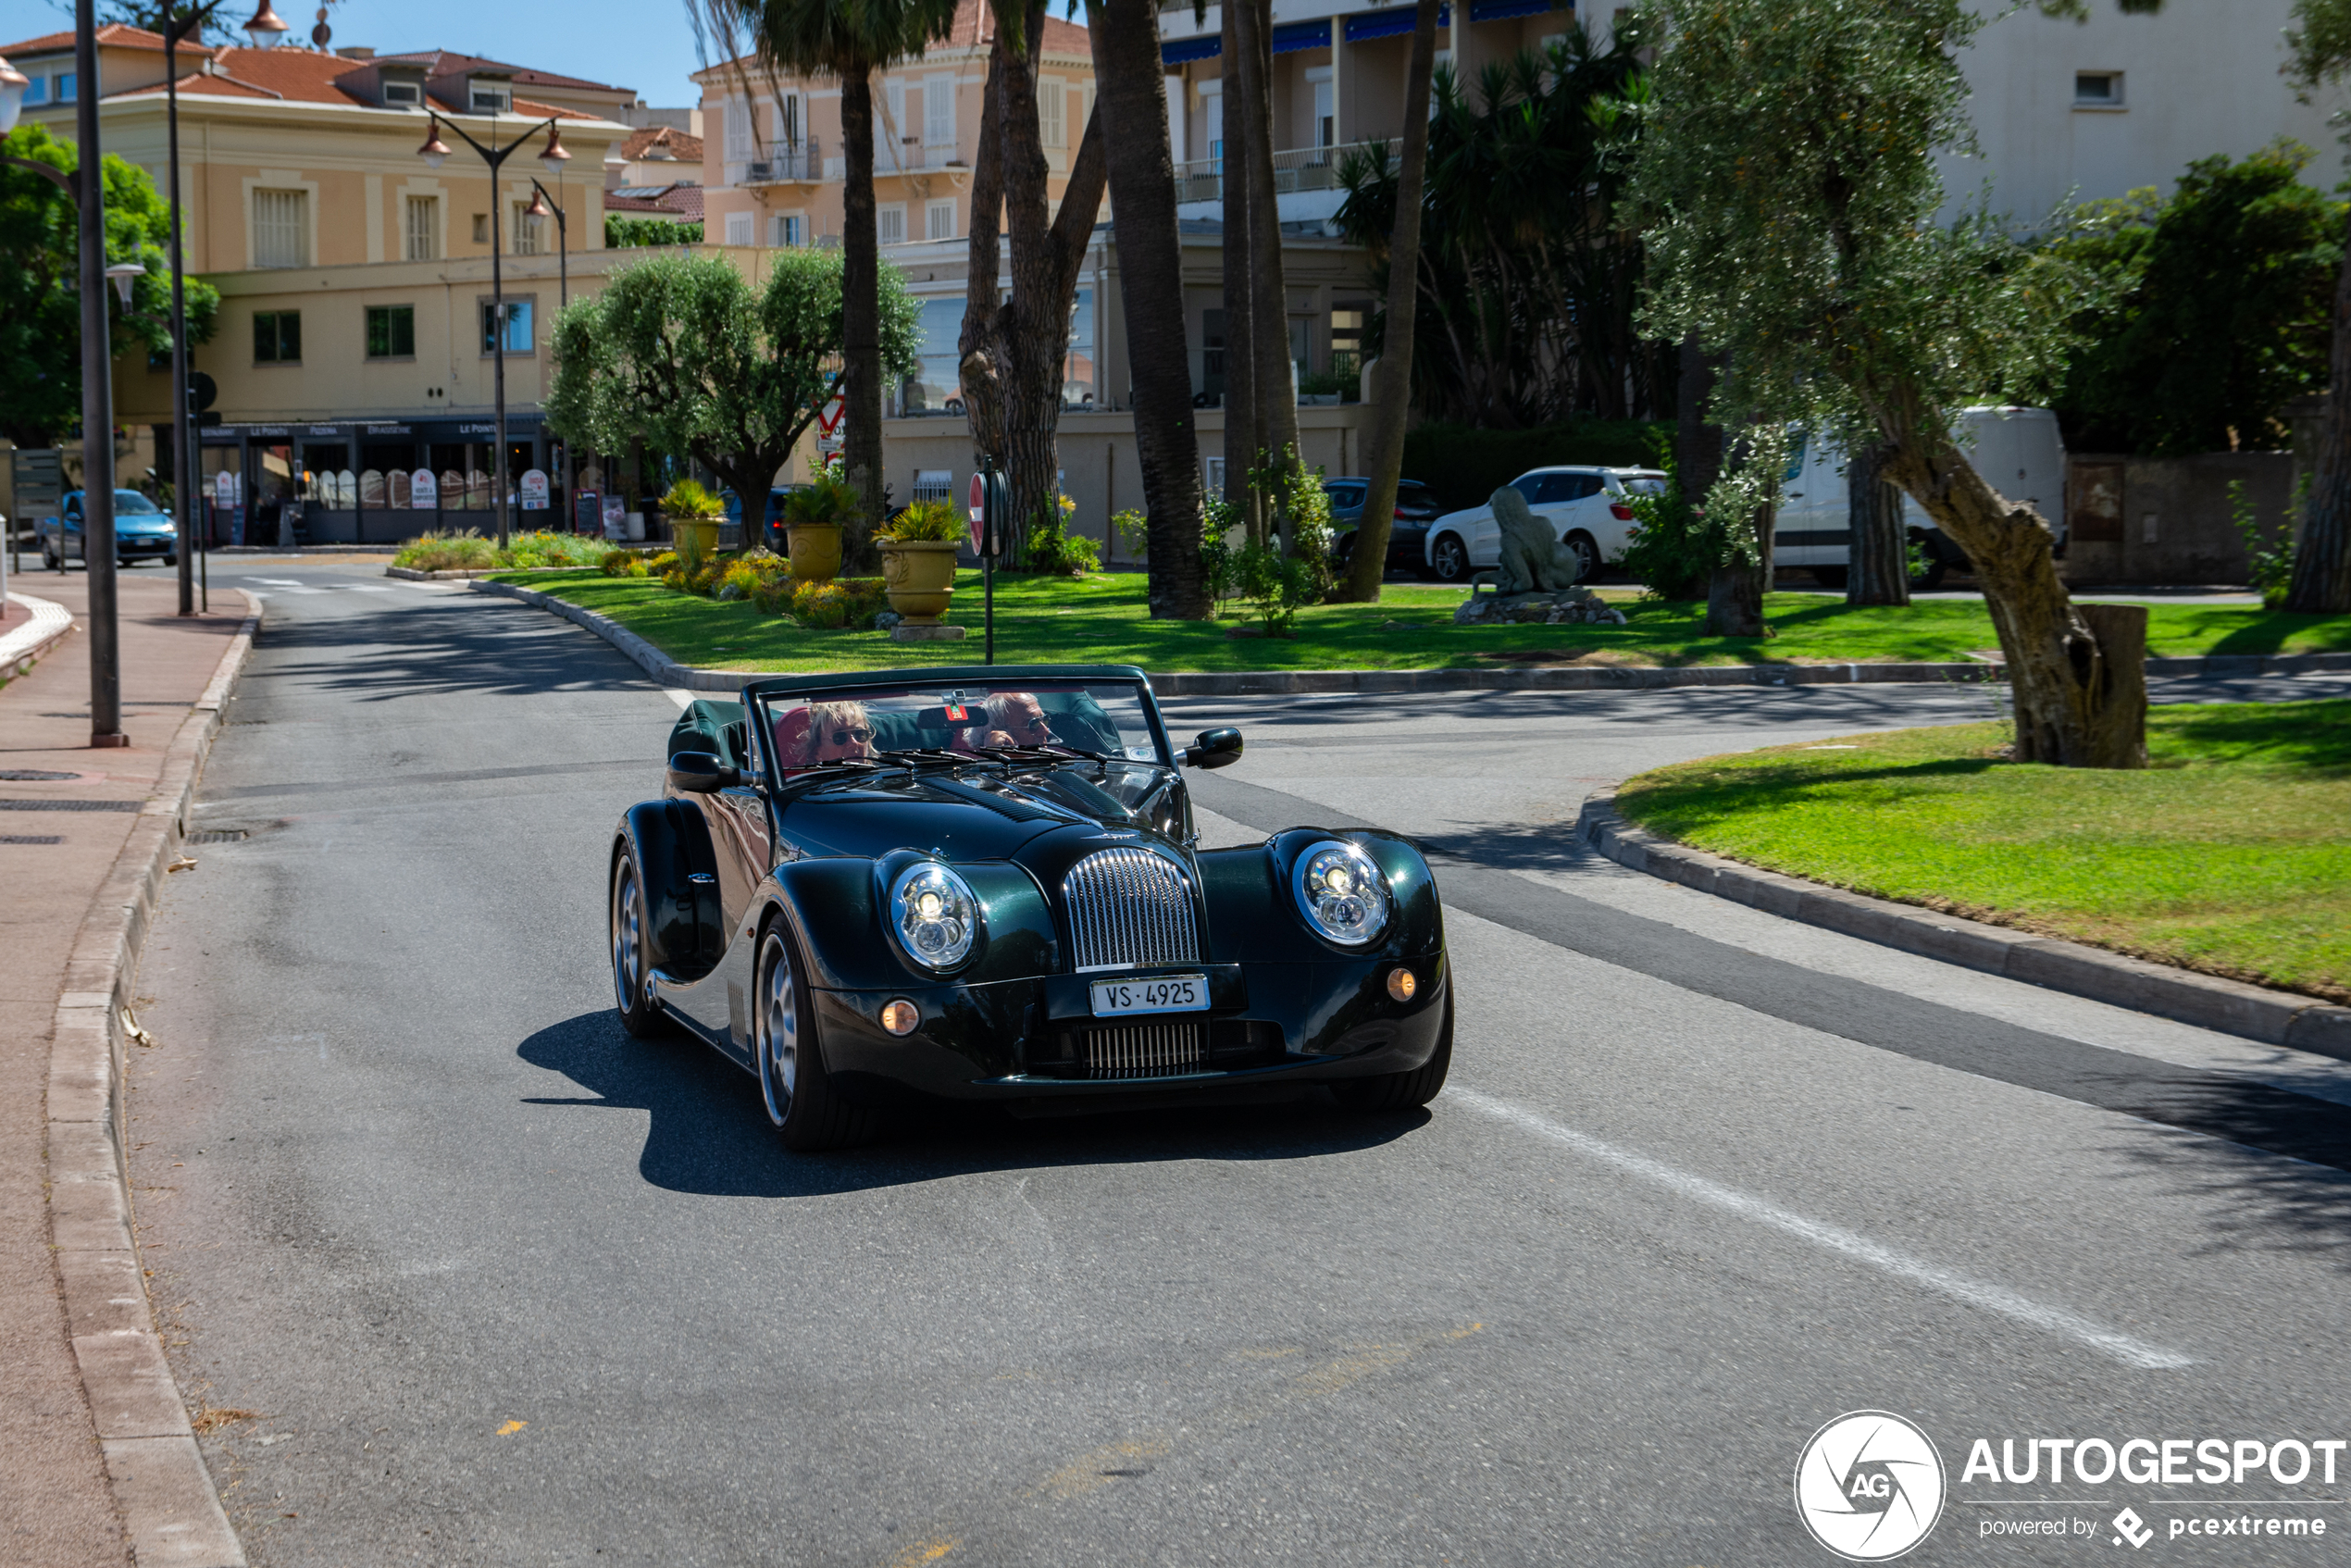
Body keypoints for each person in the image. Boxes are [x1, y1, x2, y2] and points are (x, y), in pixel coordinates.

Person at [986, 691, 1057, 749]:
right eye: (1034, 724)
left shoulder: (1063, 756)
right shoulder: (978, 763)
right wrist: (995, 755)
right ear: (1002, 733)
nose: (1046, 731)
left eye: (1045, 720)